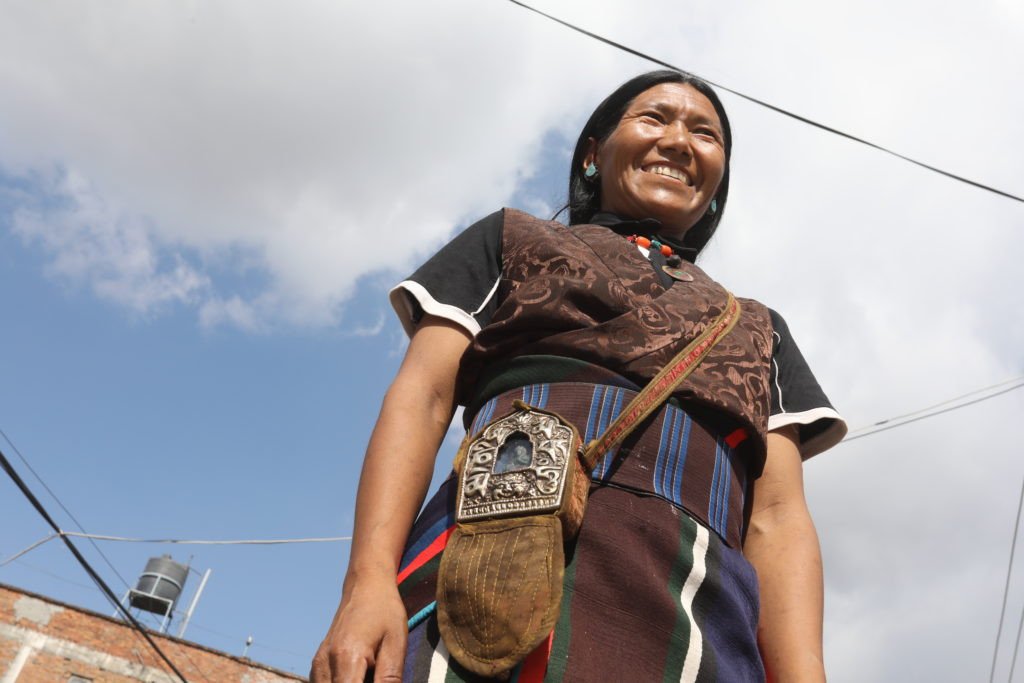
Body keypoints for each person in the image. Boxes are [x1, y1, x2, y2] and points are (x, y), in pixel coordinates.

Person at [310, 69, 846, 682]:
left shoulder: (757, 327)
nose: (679, 140)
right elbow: (422, 398)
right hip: (484, 582)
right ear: (592, 155)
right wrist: (367, 583)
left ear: (717, 183)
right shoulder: (512, 239)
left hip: (696, 624)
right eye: (654, 118)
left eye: (705, 133)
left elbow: (777, 516)